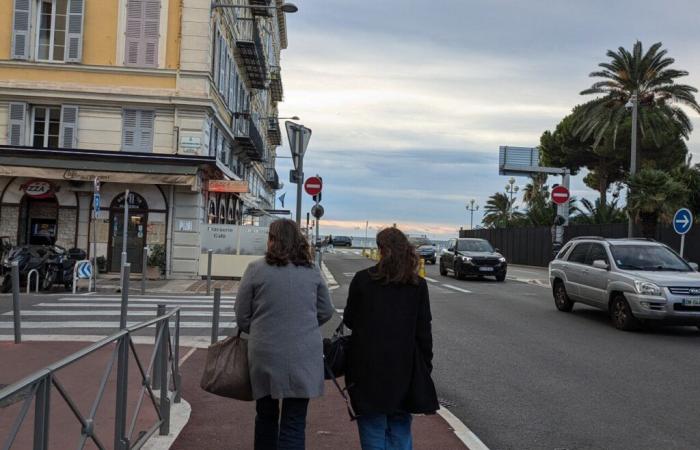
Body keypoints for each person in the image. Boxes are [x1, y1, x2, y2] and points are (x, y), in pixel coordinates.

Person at [236, 219, 335, 450]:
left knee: (266, 415)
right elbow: (326, 311)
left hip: (265, 352)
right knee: (295, 421)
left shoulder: (255, 269)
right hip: (304, 353)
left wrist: (262, 329)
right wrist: (305, 326)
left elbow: (242, 315)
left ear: (272, 240)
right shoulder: (311, 271)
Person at [344, 227, 438, 450]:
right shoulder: (417, 285)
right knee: (400, 428)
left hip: (368, 368)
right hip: (403, 368)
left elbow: (349, 320)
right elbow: (423, 332)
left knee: (373, 430)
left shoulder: (362, 280)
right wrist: (425, 367)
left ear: (381, 250)